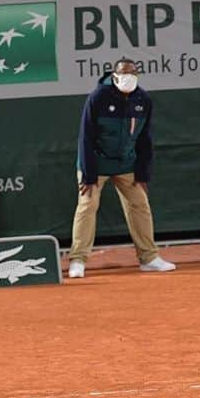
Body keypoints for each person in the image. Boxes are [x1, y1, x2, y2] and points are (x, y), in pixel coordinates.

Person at [68, 57, 175, 279]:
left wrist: (142, 172)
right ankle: (78, 261)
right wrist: (88, 174)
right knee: (87, 205)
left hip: (126, 163)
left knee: (140, 205)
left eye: (133, 73)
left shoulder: (143, 99)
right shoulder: (98, 97)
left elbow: (146, 138)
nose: (129, 78)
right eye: (124, 74)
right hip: (96, 164)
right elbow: (85, 137)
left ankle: (149, 258)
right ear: (114, 76)